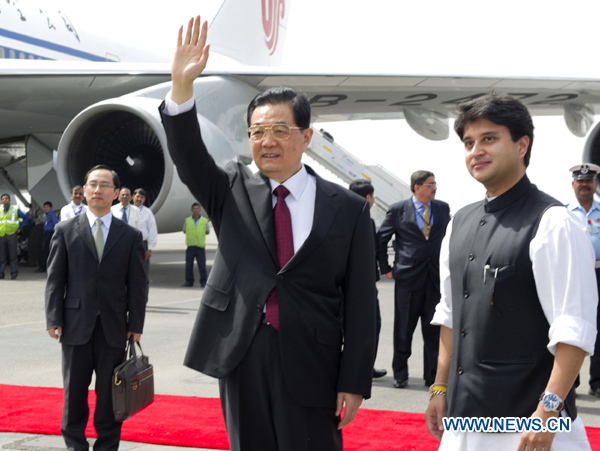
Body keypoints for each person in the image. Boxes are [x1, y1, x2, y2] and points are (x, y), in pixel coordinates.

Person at [158, 16, 376, 450]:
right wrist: (182, 87)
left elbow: (362, 304)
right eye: (258, 131)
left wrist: (355, 381)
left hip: (314, 358)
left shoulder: (347, 209)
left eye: (280, 130)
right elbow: (186, 152)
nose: (267, 141)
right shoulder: (228, 188)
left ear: (306, 136)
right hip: (243, 352)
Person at [425, 93, 597, 451]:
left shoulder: (554, 222)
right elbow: (450, 315)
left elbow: (573, 330)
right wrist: (440, 387)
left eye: (489, 139)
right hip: (462, 421)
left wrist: (548, 411)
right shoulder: (459, 222)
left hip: (529, 425)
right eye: (469, 143)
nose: (476, 151)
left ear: (522, 145)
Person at [45, 164, 147, 451]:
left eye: (104, 185)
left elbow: (138, 285)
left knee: (110, 396)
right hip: (75, 326)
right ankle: (75, 445)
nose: (97, 190)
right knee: (74, 394)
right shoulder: (65, 230)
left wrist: (135, 324)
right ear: (84, 190)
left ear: (116, 193)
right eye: (92, 184)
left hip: (114, 329)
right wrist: (54, 317)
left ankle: (106, 446)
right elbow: (56, 279)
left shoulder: (129, 236)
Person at [377, 170, 450, 388]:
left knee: (433, 330)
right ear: (417, 187)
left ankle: (432, 376)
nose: (434, 188)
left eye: (435, 183)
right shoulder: (398, 209)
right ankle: (400, 374)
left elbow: (449, 238)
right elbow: (381, 239)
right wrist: (386, 268)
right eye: (430, 184)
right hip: (407, 279)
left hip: (434, 279)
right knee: (403, 329)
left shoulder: (442, 208)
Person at [566, 163, 600, 398]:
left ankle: (597, 382)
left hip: (599, 272)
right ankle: (569, 383)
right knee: (572, 327)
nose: (584, 184)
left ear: (595, 184)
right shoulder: (564, 213)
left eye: (588, 181)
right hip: (574, 273)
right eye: (580, 181)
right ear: (573, 184)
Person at [348, 179, 387, 379]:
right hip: (363, 286)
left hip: (344, 284)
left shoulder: (336, 216)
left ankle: (358, 367)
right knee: (372, 324)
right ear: (368, 198)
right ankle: (364, 368)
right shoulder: (366, 220)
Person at [133, 188, 158, 296]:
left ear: (144, 199)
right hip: (129, 244)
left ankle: (144, 298)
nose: (139, 199)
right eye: (137, 196)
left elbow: (152, 230)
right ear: (133, 197)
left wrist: (150, 248)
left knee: (144, 273)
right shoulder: (128, 210)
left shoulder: (148, 213)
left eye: (141, 197)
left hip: (142, 244)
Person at [0, 193, 29, 280]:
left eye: (6, 198)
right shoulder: (0, 209)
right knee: (1, 256)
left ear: (9, 200)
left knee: (13, 256)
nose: (4, 200)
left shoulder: (15, 209)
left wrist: (20, 228)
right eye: (3, 199)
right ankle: (1, 274)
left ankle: (14, 274)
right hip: (2, 235)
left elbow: (26, 218)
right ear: (1, 201)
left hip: (11, 234)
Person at [182, 202, 210, 287]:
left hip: (200, 247)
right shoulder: (187, 220)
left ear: (200, 210)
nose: (196, 210)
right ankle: (189, 281)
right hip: (190, 246)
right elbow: (184, 230)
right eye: (194, 209)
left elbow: (207, 231)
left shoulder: (204, 221)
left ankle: (203, 281)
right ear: (191, 210)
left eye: (197, 208)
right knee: (189, 265)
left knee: (202, 266)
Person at [36, 201, 58, 273]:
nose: (45, 209)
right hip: (47, 233)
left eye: (47, 207)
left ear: (51, 208)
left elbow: (55, 224)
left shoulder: (52, 215)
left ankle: (43, 266)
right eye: (44, 207)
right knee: (46, 250)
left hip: (50, 233)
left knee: (47, 250)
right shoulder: (48, 215)